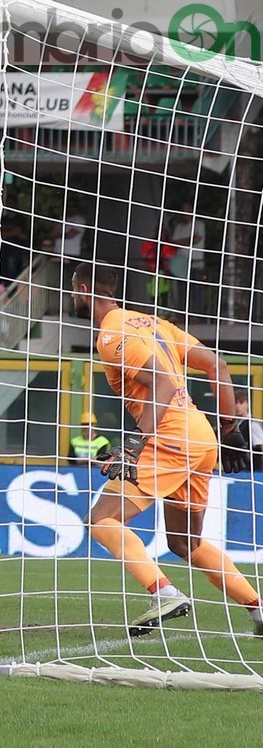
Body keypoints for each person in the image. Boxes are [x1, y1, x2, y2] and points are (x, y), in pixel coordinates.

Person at [71, 261, 258, 637]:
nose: (72, 295)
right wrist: (229, 428)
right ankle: (258, 608)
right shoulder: (155, 323)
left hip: (169, 436)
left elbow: (161, 383)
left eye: (74, 288)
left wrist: (136, 443)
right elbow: (217, 365)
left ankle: (163, 593)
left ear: (87, 290)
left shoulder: (109, 334)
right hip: (201, 436)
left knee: (101, 519)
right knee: (185, 541)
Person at [234, 390, 263, 467]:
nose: (238, 406)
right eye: (235, 403)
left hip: (253, 471)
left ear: (247, 404)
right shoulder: (233, 425)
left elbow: (261, 446)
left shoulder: (252, 424)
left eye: (241, 402)